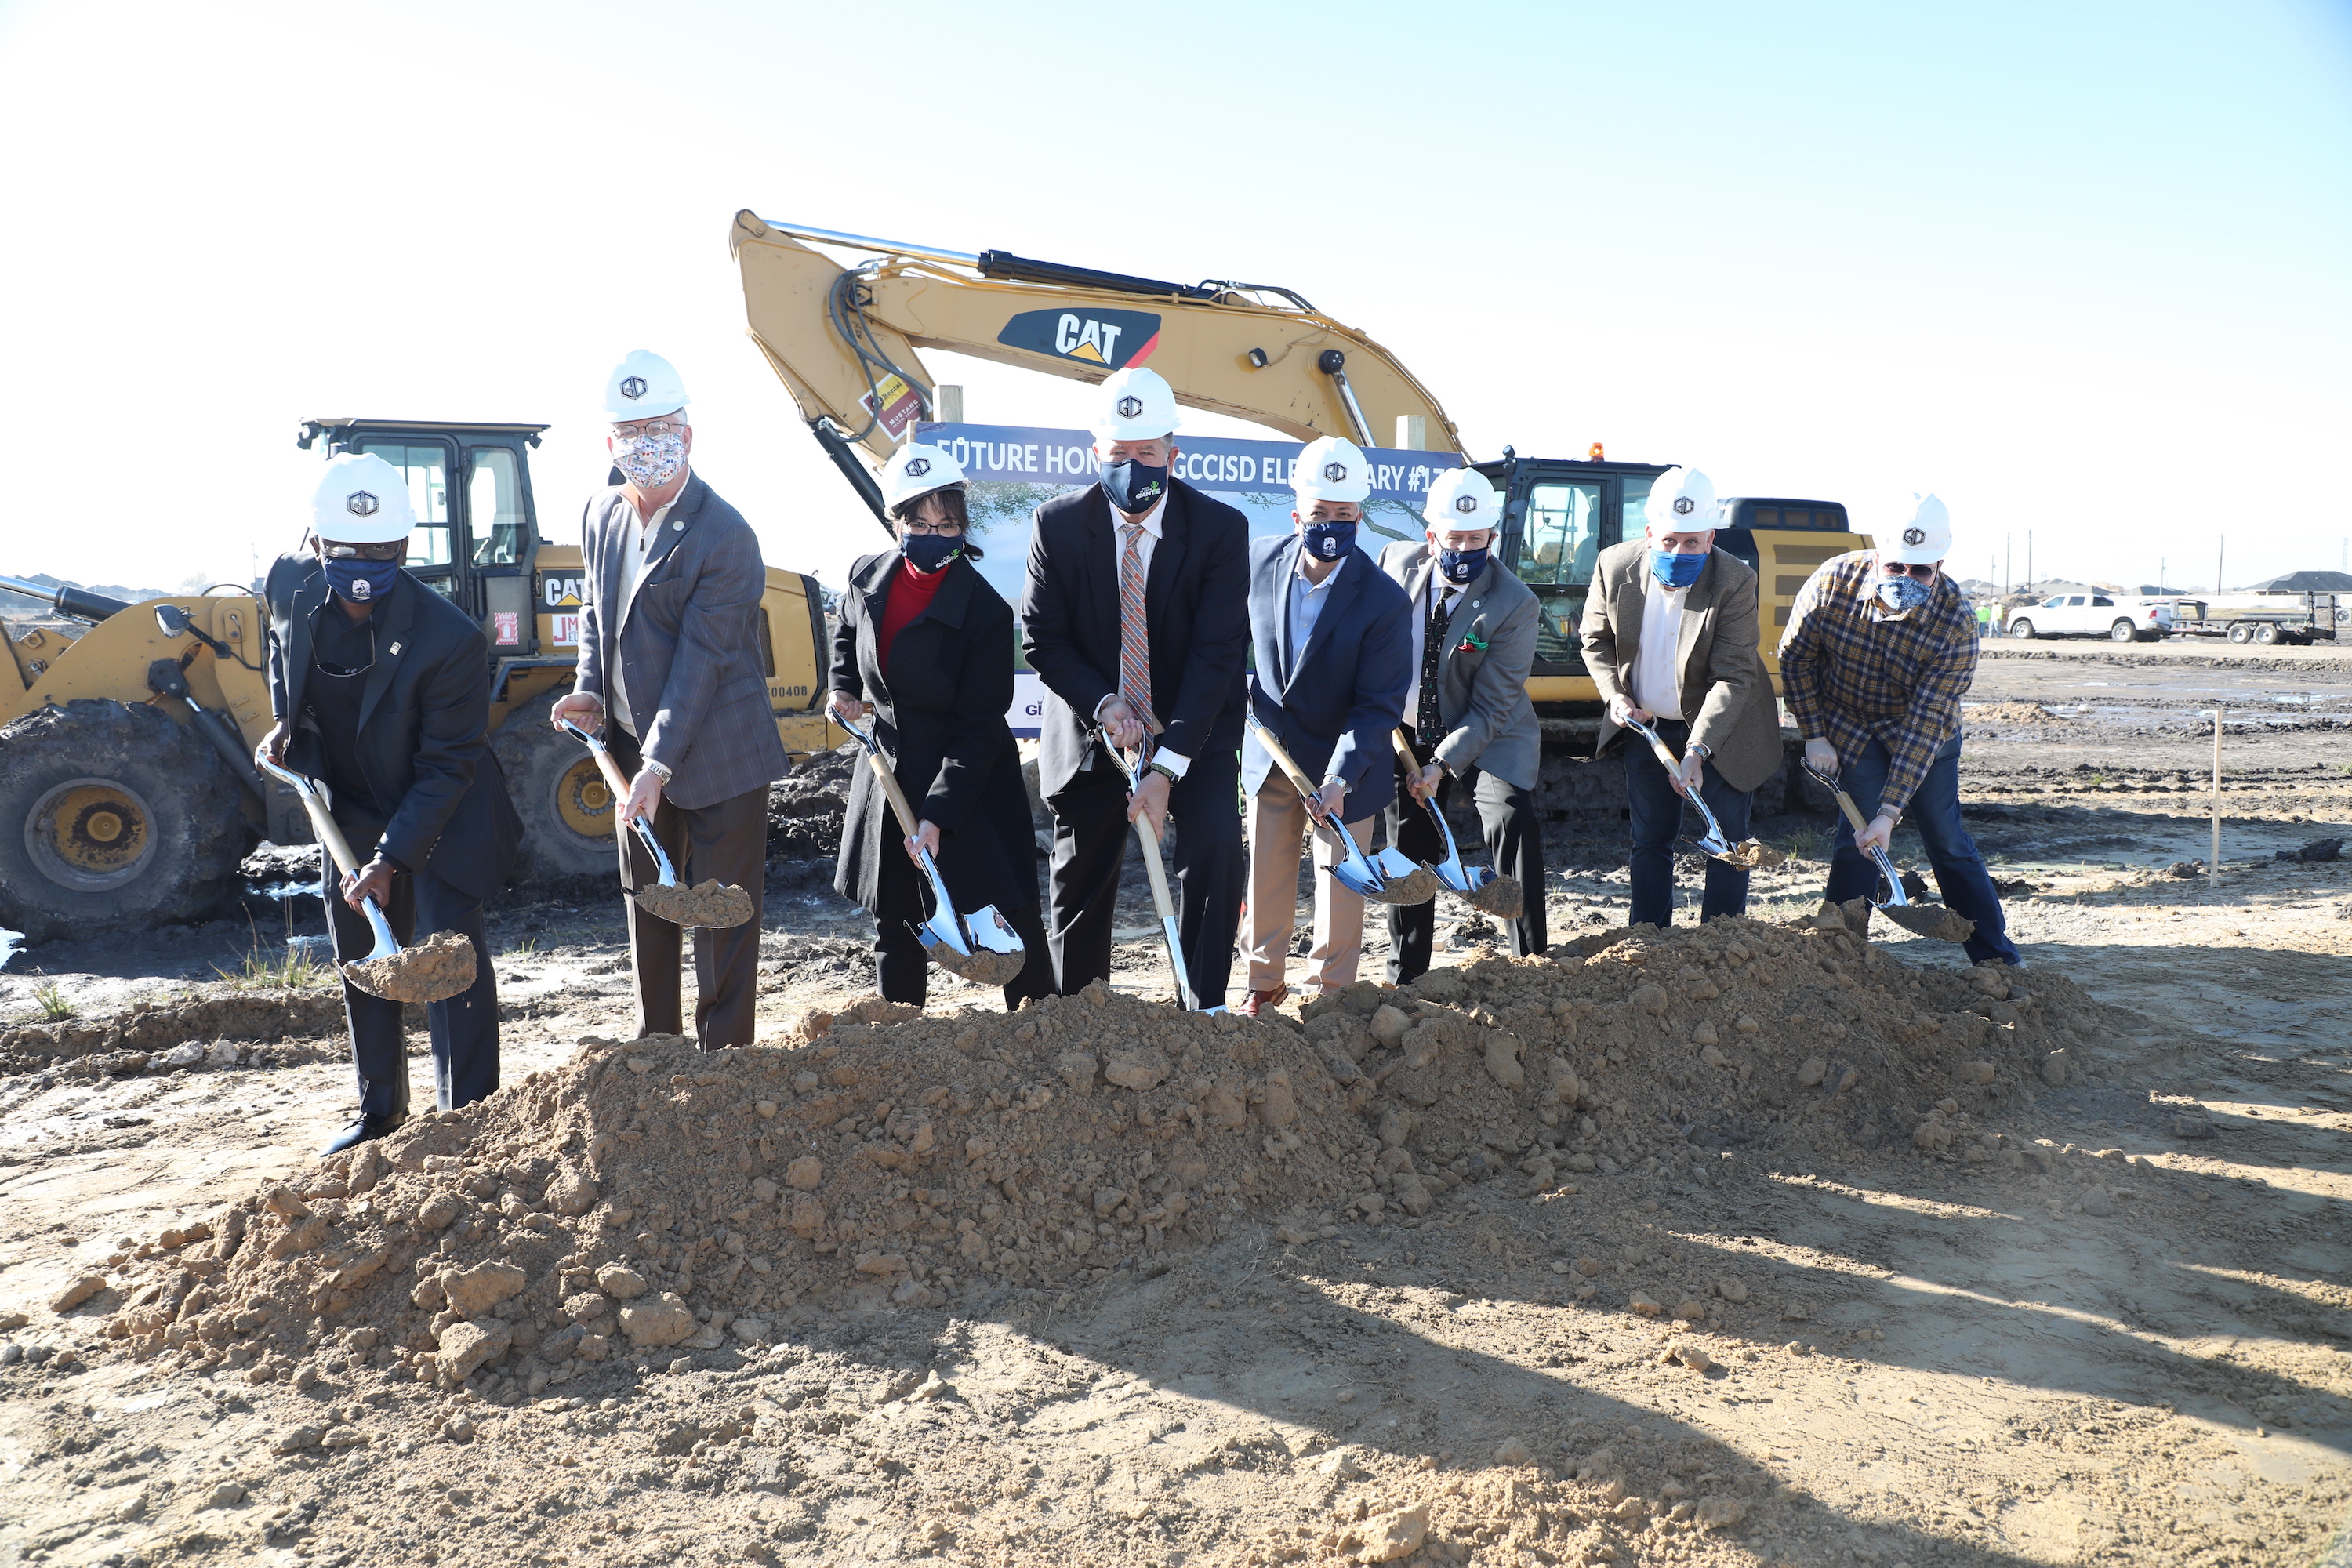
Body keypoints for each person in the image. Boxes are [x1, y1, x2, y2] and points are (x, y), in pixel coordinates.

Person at [257, 452, 522, 1154]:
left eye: (380, 551)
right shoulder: (287, 585)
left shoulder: (450, 638)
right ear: (317, 545)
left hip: (442, 808)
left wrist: (391, 859)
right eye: (347, 551)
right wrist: (284, 725)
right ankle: (381, 1111)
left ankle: (468, 1117)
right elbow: (281, 659)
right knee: (362, 955)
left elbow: (447, 765)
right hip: (347, 802)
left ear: (405, 547)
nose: (363, 566)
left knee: (447, 959)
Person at [550, 350, 789, 1047]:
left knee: (721, 913)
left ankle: (724, 1063)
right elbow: (596, 612)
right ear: (609, 444)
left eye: (659, 428)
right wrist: (589, 689)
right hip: (630, 741)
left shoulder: (725, 535)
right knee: (649, 903)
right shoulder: (601, 513)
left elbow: (701, 665)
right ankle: (657, 1047)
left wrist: (655, 770)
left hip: (719, 751)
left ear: (687, 436)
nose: (644, 444)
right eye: (630, 432)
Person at [1020, 367, 1250, 1007]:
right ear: (1097, 452)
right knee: (1082, 873)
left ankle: (1201, 1007)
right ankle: (1080, 1015)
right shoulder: (1058, 525)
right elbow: (1043, 636)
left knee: (1215, 851)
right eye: (1119, 454)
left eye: (1146, 453)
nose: (1132, 466)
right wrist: (1104, 702)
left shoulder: (1220, 532)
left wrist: (1167, 768)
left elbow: (1216, 658)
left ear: (1173, 454)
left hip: (1191, 728)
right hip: (1097, 724)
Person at [829, 445, 1054, 1007]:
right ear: (896, 522)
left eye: (947, 523)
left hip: (966, 782)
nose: (934, 535)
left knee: (1002, 915)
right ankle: (901, 1039)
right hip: (889, 773)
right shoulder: (864, 576)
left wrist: (937, 816)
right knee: (897, 921)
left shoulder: (983, 611)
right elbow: (846, 633)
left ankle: (1045, 1032)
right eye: (920, 523)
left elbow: (979, 728)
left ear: (962, 525)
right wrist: (843, 688)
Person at [1777, 494, 2024, 967]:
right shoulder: (1832, 582)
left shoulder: (1955, 622)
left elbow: (1926, 722)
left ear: (1940, 565)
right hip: (1848, 725)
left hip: (1923, 733)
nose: (1906, 579)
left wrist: (1890, 814)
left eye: (1921, 571)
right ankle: (1840, 956)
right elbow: (1796, 658)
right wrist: (1813, 733)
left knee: (1946, 840)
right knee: (1857, 841)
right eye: (1895, 567)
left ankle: (1996, 959)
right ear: (1876, 557)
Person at [1238, 436, 1413, 1013]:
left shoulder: (1384, 600)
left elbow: (1378, 705)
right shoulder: (1258, 562)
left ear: (1359, 516)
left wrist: (1339, 778)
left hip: (1347, 767)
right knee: (1266, 876)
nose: (1332, 524)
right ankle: (1263, 984)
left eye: (1344, 514)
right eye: (1320, 514)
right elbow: (1227, 646)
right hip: (1271, 753)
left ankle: (1329, 997)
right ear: (1297, 515)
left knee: (1341, 885)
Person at [1581, 466, 1783, 927]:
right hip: (1646, 725)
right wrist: (1614, 696)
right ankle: (1649, 938)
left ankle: (1722, 940)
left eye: (1693, 542)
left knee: (1728, 841)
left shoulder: (1734, 580)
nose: (1679, 551)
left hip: (1724, 728)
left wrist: (1698, 749)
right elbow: (1595, 641)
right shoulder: (1615, 566)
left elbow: (1733, 676)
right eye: (1670, 541)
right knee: (1650, 840)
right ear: (1650, 533)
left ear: (1711, 537)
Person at [1377, 466, 1546, 979]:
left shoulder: (1514, 601)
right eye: (1456, 538)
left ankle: (1532, 961)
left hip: (1489, 730)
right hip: (1407, 727)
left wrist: (1443, 765)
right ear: (1432, 537)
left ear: (1492, 538)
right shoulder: (1393, 564)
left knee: (1510, 819)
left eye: (1479, 539)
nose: (1467, 548)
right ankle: (1407, 974)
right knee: (1411, 845)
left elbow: (1493, 706)